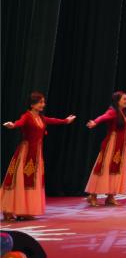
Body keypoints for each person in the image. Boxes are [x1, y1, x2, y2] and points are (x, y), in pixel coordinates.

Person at [1, 92, 76, 220]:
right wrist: (13, 125)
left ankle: (24, 211)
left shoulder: (41, 118)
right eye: (40, 102)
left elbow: (52, 120)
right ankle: (8, 210)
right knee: (20, 181)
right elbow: (20, 122)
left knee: (32, 182)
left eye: (43, 102)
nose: (43, 104)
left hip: (36, 154)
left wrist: (66, 121)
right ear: (32, 104)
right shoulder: (27, 116)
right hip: (25, 154)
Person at [84, 91, 126, 206]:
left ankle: (110, 196)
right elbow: (103, 117)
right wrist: (95, 122)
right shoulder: (112, 111)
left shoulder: (122, 113)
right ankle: (92, 196)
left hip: (121, 147)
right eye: (124, 99)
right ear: (117, 101)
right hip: (111, 146)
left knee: (116, 170)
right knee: (104, 169)